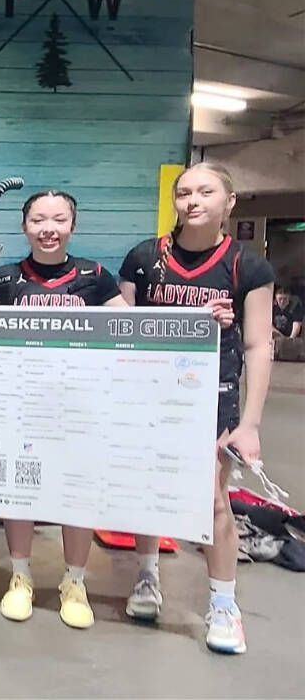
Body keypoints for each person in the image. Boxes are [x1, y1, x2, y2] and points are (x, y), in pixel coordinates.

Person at [118, 162, 274, 654]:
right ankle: (147, 577)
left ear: (229, 202)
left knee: (211, 500)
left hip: (214, 397)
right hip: (150, 391)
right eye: (184, 192)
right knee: (148, 490)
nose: (193, 200)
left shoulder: (247, 266)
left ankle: (224, 605)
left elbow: (258, 347)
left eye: (206, 191)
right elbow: (121, 328)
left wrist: (250, 423)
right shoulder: (145, 258)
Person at [0, 190, 126, 629]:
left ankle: (74, 582)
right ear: (25, 226)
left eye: (59, 219)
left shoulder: (96, 277)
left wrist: (199, 325)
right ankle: (20, 576)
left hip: (79, 407)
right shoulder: (4, 281)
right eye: (39, 219)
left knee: (76, 492)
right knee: (19, 490)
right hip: (21, 405)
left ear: (72, 226)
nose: (49, 228)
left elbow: (132, 329)